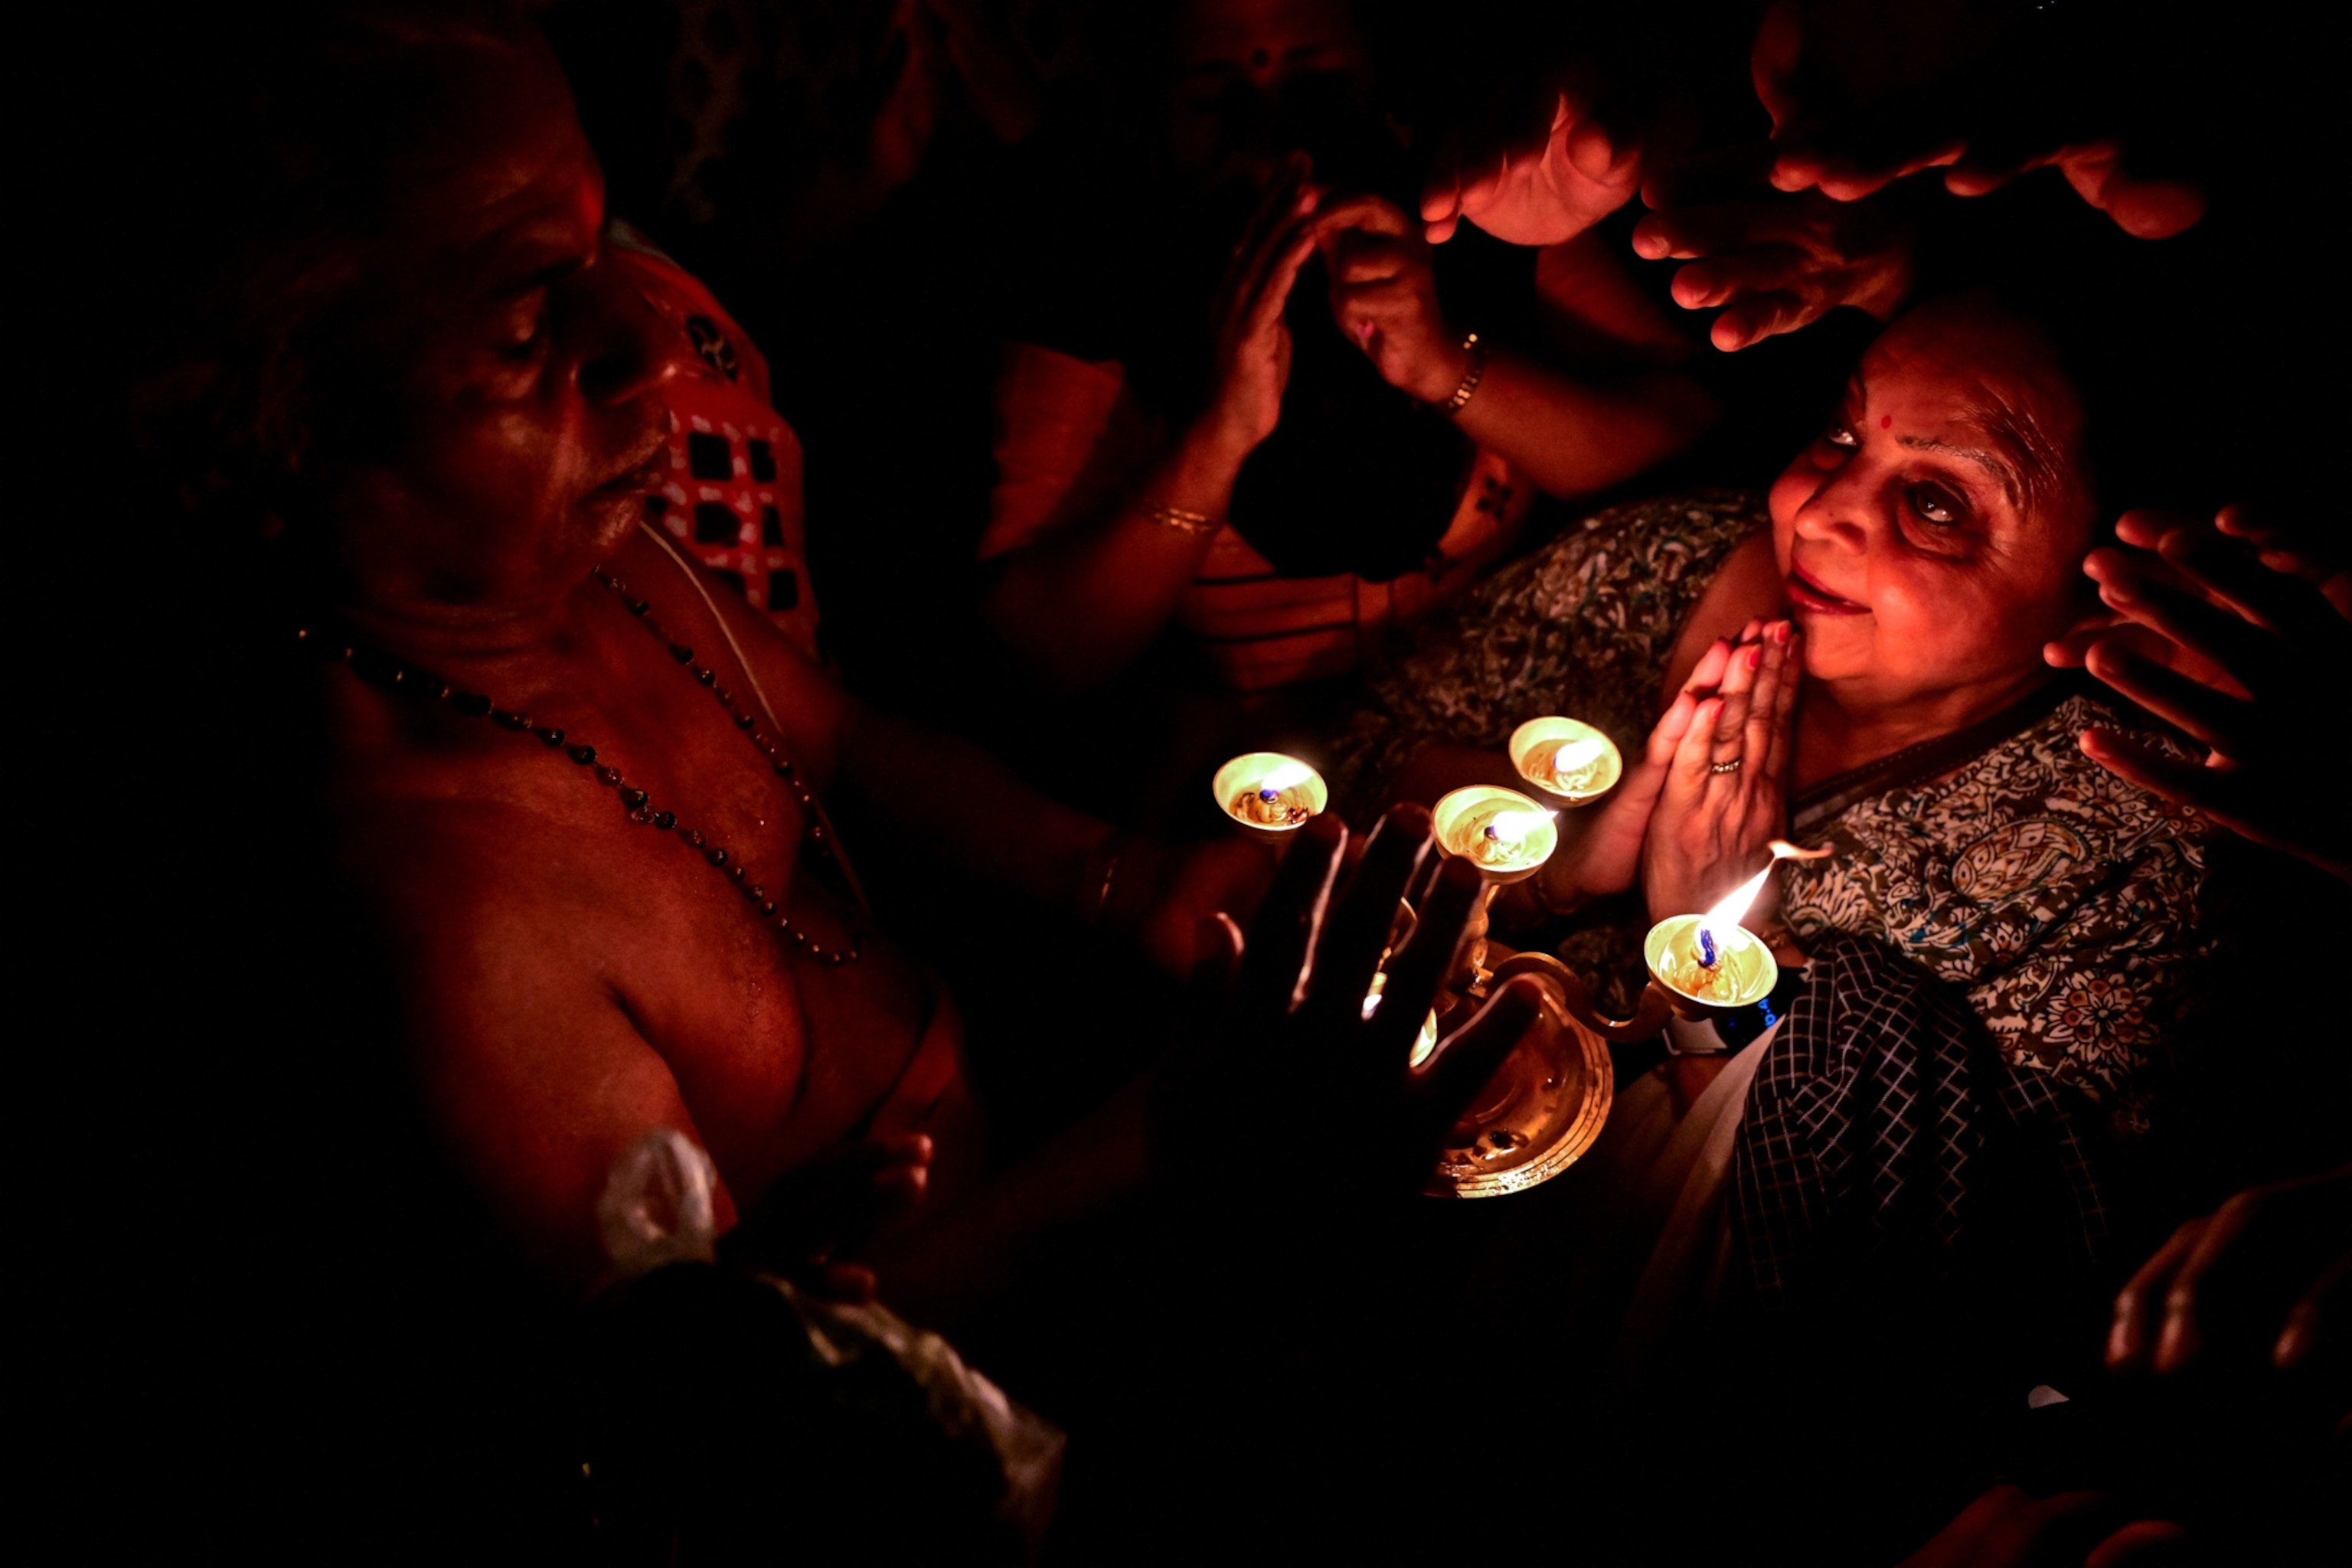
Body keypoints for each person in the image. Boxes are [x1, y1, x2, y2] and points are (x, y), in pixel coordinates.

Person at [130, 0, 1279, 1295]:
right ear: (285, 436)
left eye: (600, 241)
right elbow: (758, 1404)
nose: (650, 346)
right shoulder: (457, 945)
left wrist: (1122, 879)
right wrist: (1168, 1148)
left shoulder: (589, 554)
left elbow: (842, 737)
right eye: (521, 333)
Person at [1324, 289, 2216, 1559]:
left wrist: (1720, 958)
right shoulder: (1686, 561)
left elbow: (1977, 1286)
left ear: (2092, 600)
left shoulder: (2139, 836)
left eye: (1937, 502)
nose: (1820, 507)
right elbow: (1348, 749)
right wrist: (1561, 855)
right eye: (1841, 438)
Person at [978, 0, 1714, 695]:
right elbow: (1044, 653)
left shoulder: (1478, 210)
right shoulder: (1097, 272)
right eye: (1214, 98)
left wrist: (1446, 367)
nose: (1273, 144)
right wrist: (1220, 436)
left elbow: (1685, 438)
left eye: (1317, 87)